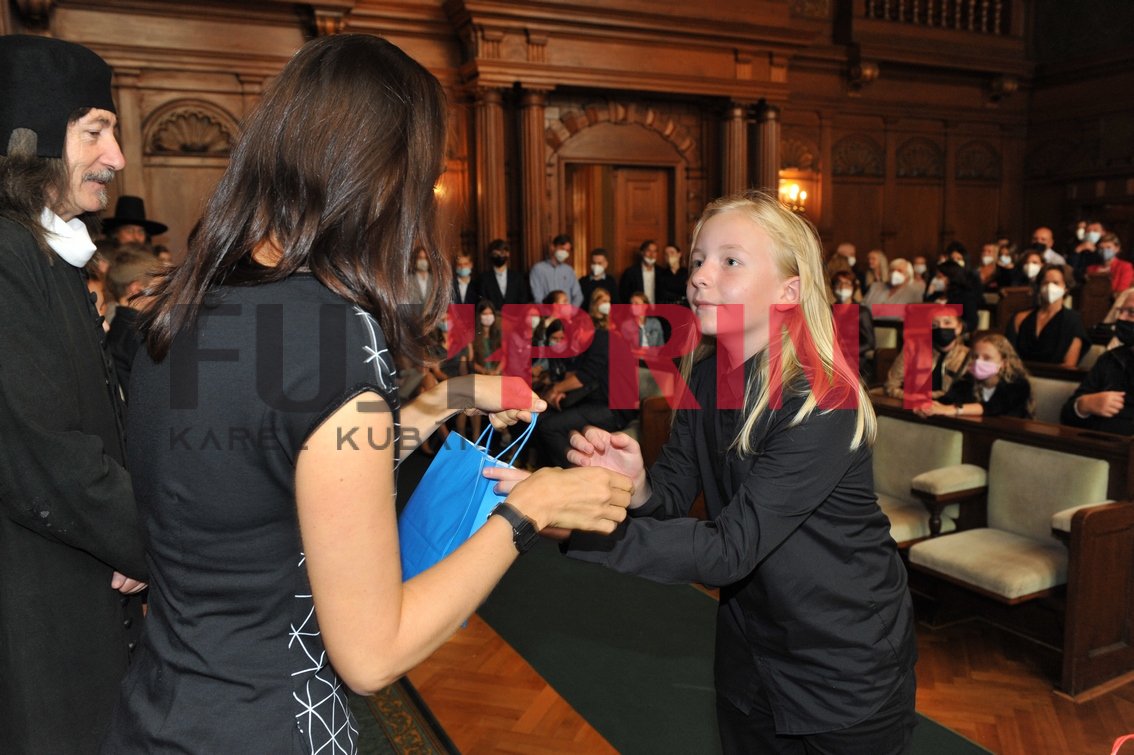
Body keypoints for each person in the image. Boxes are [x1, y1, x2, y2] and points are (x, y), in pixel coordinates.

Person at [100, 35, 632, 754]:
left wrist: (447, 398)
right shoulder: (337, 333)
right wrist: (528, 509)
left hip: (159, 709)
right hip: (274, 726)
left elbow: (291, 464)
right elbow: (373, 653)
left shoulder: (180, 303)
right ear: (385, 178)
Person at [494, 191, 916, 753]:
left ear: (788, 292)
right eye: (698, 260)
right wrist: (636, 484)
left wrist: (573, 522)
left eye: (729, 260)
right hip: (750, 646)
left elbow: (728, 550)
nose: (699, 277)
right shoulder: (708, 375)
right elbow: (670, 496)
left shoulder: (822, 398)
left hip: (839, 657)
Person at [0, 35, 148, 753]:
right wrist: (149, 538)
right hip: (39, 605)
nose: (115, 156)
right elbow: (44, 449)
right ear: (29, 143)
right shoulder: (6, 254)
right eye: (95, 131)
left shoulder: (41, 251)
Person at [914, 334, 1032, 419]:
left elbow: (993, 408)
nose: (978, 362)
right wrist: (927, 406)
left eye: (986, 358)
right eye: (975, 357)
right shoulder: (967, 380)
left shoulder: (1018, 384)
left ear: (1004, 362)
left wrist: (952, 410)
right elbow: (947, 401)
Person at [1061, 298, 1134, 435]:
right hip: (1097, 444)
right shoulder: (1109, 359)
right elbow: (1067, 416)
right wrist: (1085, 405)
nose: (1120, 318)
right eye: (1120, 311)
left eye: (1131, 312)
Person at [1006, 264, 1089, 367]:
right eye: (1045, 283)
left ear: (1066, 288)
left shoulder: (1073, 321)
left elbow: (1069, 365)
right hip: (1019, 374)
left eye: (1055, 283)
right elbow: (1008, 357)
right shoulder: (1020, 318)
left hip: (1054, 376)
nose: (1049, 287)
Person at [105, 246, 161, 396]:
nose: (163, 295)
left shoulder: (118, 326)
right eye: (159, 287)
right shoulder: (139, 333)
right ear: (137, 289)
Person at [884, 308, 970, 400]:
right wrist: (914, 398)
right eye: (934, 325)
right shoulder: (913, 349)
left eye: (947, 323)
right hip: (912, 405)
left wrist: (930, 397)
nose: (941, 328)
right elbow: (890, 386)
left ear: (959, 328)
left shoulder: (968, 356)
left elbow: (964, 394)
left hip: (949, 406)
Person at [832, 270, 876, 382]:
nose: (842, 287)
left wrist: (847, 351)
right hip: (831, 356)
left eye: (847, 284)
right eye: (838, 283)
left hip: (855, 359)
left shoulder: (862, 312)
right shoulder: (828, 310)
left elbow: (870, 343)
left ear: (853, 287)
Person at [530, 233, 583, 306]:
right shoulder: (538, 269)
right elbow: (537, 297)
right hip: (547, 311)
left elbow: (578, 295)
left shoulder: (569, 270)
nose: (565, 253)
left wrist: (571, 310)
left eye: (567, 250)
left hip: (567, 312)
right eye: (562, 249)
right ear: (553, 247)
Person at [477, 238, 529, 311]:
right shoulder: (484, 278)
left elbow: (523, 302)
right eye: (496, 254)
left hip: (515, 316)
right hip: (493, 317)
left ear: (508, 254)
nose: (499, 256)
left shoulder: (518, 277)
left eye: (502, 253)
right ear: (491, 255)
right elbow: (483, 302)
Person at [101, 194, 167, 247]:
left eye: (141, 232)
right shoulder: (103, 259)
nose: (136, 237)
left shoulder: (152, 259)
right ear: (115, 234)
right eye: (129, 231)